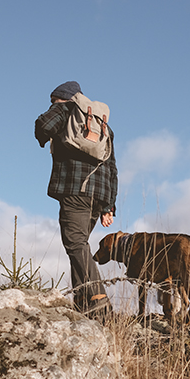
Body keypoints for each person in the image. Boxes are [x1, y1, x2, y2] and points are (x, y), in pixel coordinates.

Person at [35, 81, 116, 319]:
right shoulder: (103, 127)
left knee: (75, 244)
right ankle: (84, 304)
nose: (52, 105)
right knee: (78, 247)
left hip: (74, 191)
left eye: (53, 101)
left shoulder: (65, 110)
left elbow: (43, 126)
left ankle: (99, 301)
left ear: (64, 99)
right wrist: (109, 207)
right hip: (98, 197)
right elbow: (112, 168)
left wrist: (54, 111)